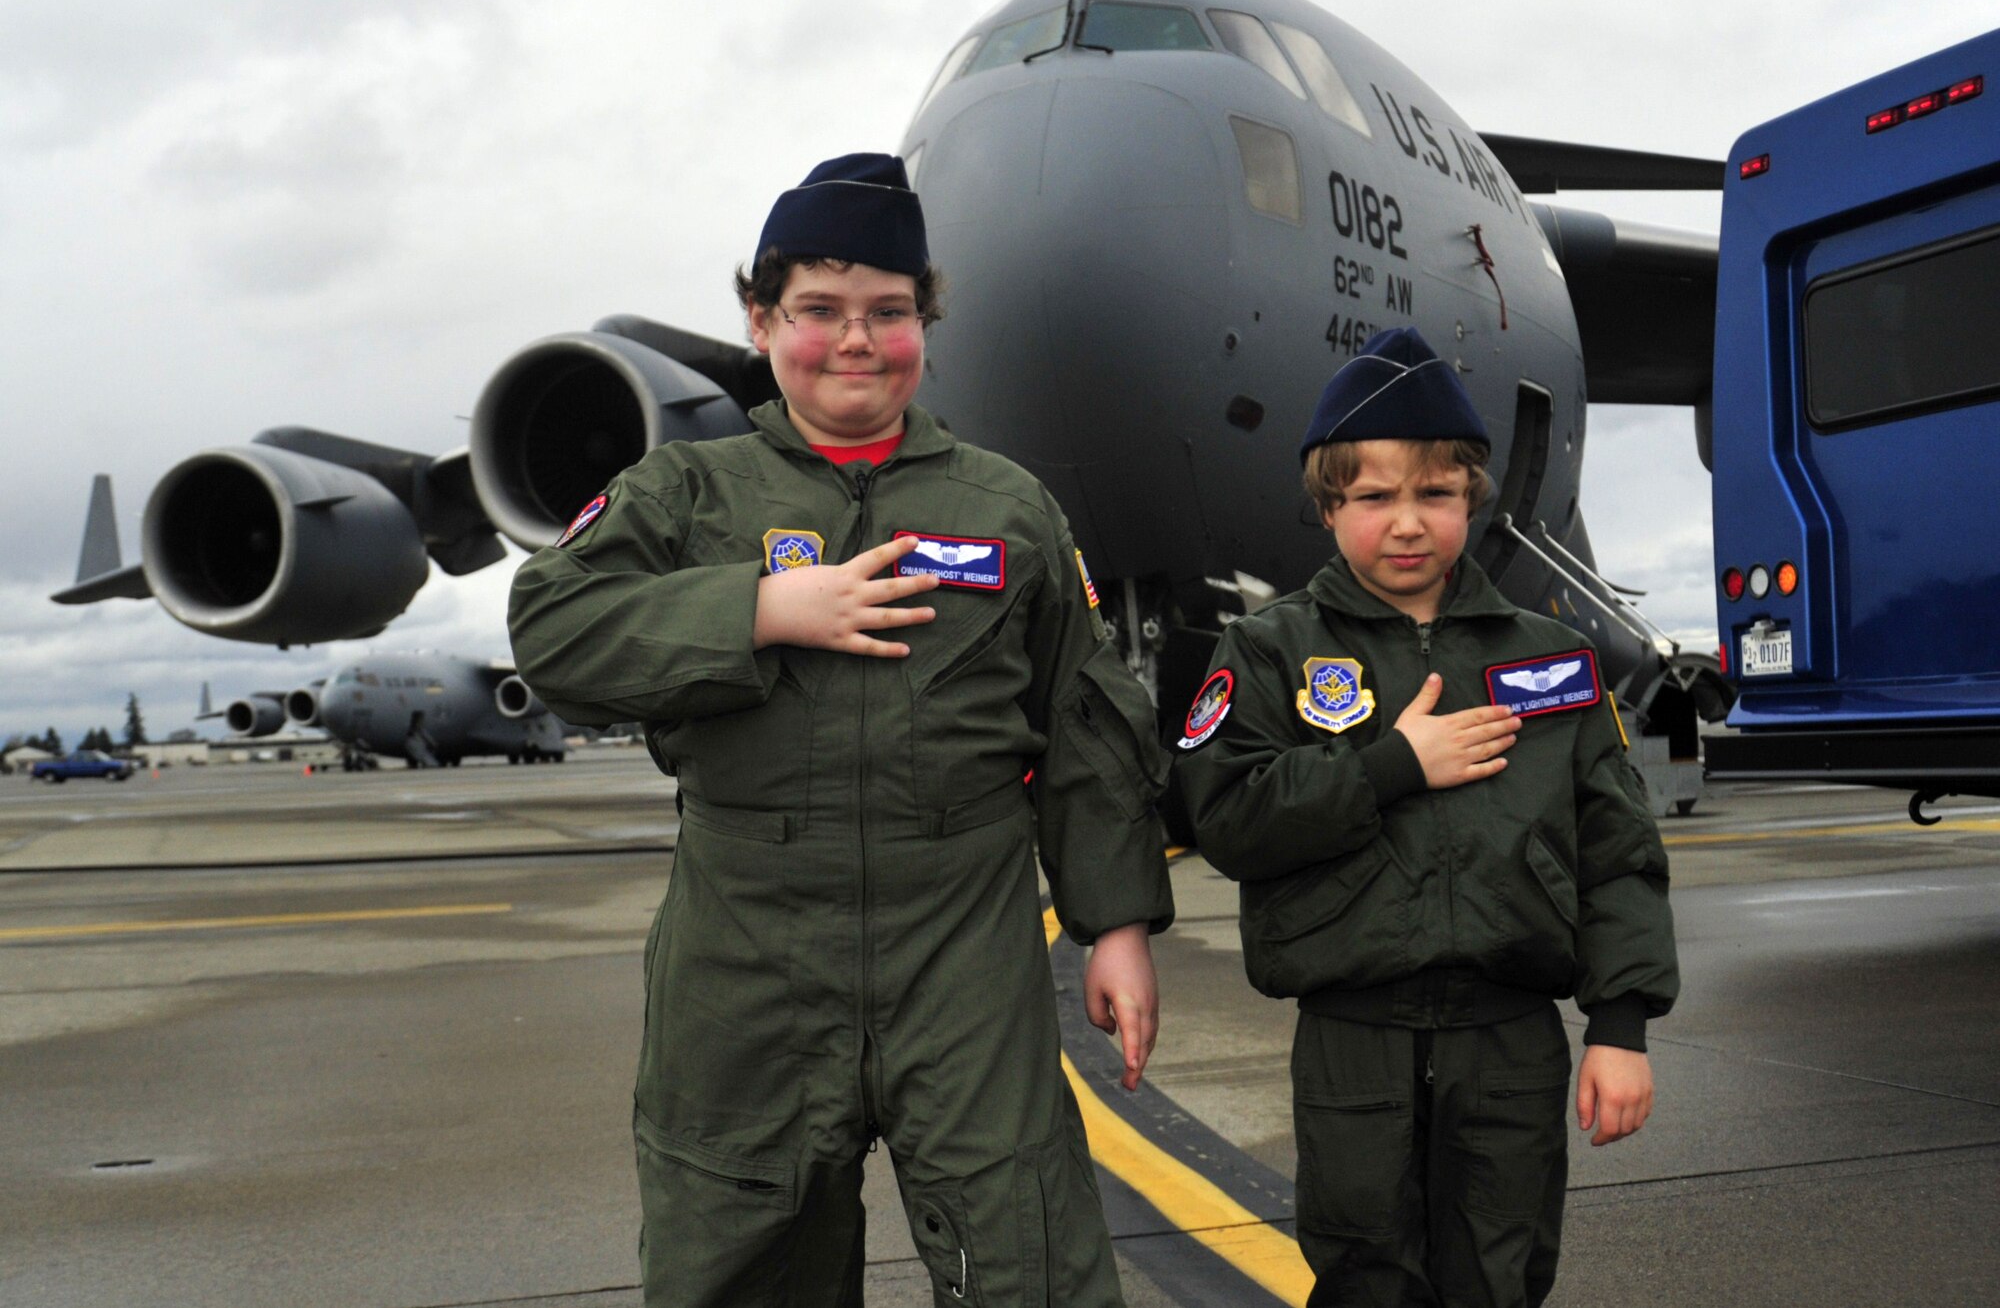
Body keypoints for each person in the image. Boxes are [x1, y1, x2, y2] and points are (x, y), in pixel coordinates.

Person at [508, 153, 1173, 1307]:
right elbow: (553, 628)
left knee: (1026, 1251)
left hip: (961, 942)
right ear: (761, 321)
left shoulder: (1005, 507)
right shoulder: (684, 496)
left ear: (926, 322)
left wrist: (1112, 924)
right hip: (746, 951)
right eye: (817, 311)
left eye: (888, 312)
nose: (855, 341)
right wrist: (760, 608)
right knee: (736, 1247)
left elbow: (1084, 727)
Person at [1173, 327, 1678, 1307]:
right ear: (1326, 506)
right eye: (1372, 497)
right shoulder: (1268, 649)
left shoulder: (1544, 656)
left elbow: (1618, 852)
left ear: (1471, 499)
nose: (1405, 523)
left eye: (1433, 495)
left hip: (1508, 1039)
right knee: (1366, 1282)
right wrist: (1393, 766)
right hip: (1351, 1036)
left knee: (1501, 1280)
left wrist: (1619, 1025)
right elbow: (1226, 814)